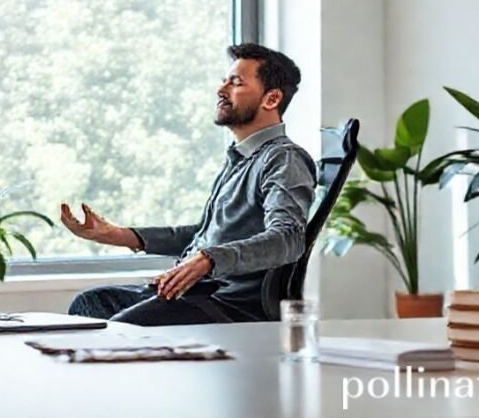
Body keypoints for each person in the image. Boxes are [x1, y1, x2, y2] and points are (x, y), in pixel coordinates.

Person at [61, 43, 316, 326]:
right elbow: (204, 234)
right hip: (196, 292)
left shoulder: (283, 158)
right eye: (224, 81)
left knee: (118, 330)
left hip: (227, 303)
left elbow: (288, 239)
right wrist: (118, 235)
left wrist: (208, 259)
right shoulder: (241, 159)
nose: (221, 90)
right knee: (88, 304)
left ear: (271, 99)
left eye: (236, 83)